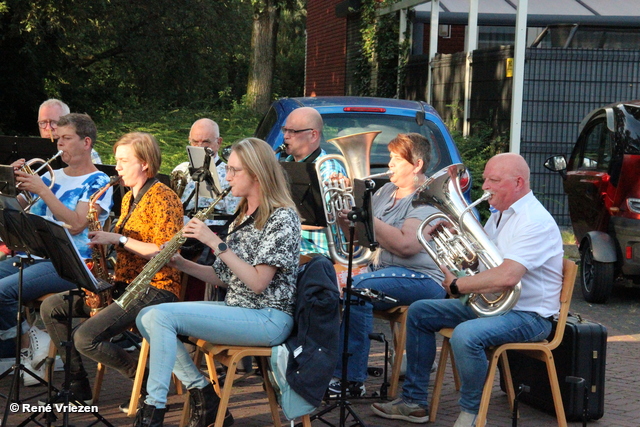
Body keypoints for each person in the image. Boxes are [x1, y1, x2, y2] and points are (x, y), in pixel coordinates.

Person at [371, 153, 564, 426]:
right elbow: (476, 265)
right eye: (485, 178)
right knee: (420, 312)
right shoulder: (499, 216)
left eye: (493, 180)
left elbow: (507, 276)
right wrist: (445, 245)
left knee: (466, 335)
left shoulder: (534, 221)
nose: (484, 186)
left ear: (519, 182)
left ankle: (472, 413)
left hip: (529, 315)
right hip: (496, 307)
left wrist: (458, 284)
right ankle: (414, 402)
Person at [134, 137, 301, 427]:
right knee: (147, 315)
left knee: (159, 316)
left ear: (257, 174)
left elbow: (259, 283)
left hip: (268, 318)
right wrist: (181, 263)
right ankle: (201, 393)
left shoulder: (282, 217)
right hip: (240, 310)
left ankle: (153, 410)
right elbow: (223, 278)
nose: (227, 176)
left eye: (235, 170)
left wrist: (215, 243)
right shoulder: (243, 216)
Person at [41, 132, 183, 405]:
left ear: (144, 163)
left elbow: (167, 251)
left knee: (85, 337)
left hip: (155, 288)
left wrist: (118, 239)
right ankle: (77, 383)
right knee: (52, 307)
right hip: (125, 284)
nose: (116, 168)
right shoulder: (129, 197)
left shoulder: (164, 197)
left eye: (123, 161)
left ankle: (145, 381)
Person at [326, 133, 447, 397]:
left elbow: (406, 245)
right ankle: (321, 366)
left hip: (423, 278)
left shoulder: (426, 199)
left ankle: (350, 378)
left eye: (395, 158)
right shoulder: (385, 191)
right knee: (322, 282)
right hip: (382, 272)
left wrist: (366, 215)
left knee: (356, 288)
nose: (389, 164)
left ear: (416, 164)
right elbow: (360, 238)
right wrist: (344, 216)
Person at [0, 113, 112, 385]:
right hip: (34, 255)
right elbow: (24, 208)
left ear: (86, 142)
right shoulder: (53, 174)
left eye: (66, 138)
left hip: (71, 262)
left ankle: (28, 343)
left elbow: (75, 224)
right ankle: (24, 345)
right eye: (57, 139)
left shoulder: (98, 181)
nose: (59, 145)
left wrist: (43, 189)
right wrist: (9, 184)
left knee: (2, 293)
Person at [281, 107, 345, 259]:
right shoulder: (284, 164)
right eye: (284, 130)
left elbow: (332, 220)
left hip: (318, 251)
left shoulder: (328, 168)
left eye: (293, 131)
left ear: (313, 135)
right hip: (293, 246)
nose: (286, 136)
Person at [171, 118, 239, 219]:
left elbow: (234, 216)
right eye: (195, 142)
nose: (199, 147)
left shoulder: (229, 174)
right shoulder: (181, 169)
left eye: (206, 142)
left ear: (219, 142)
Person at [37, 99, 102, 164]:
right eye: (43, 122)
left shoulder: (86, 153)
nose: (48, 128)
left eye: (54, 122)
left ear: (66, 122)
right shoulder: (32, 151)